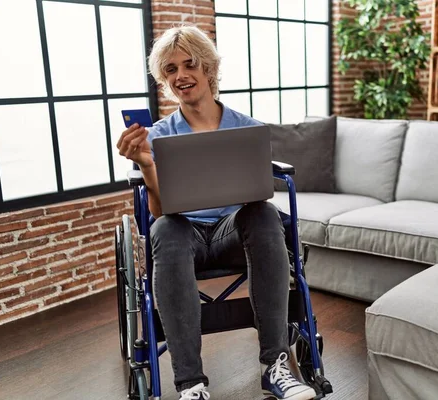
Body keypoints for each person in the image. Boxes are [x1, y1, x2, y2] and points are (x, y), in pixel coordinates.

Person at [116, 24, 316, 400]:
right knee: (164, 229)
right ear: (164, 79)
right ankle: (190, 384)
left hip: (232, 234)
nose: (181, 76)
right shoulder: (157, 135)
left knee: (264, 213)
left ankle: (275, 366)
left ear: (208, 69)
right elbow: (159, 212)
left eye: (189, 64)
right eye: (171, 69)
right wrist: (145, 162)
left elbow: (257, 193)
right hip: (182, 236)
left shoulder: (248, 129)